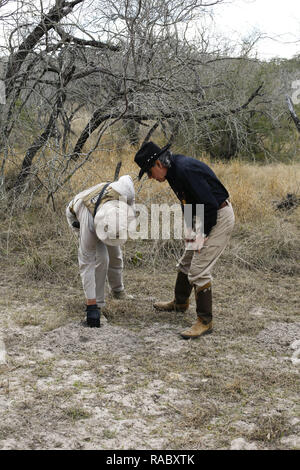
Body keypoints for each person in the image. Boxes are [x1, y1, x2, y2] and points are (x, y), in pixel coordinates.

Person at [134, 142, 235, 339]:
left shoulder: (184, 169)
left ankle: (205, 321)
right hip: (204, 215)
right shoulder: (172, 172)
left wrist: (201, 235)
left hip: (218, 216)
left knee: (198, 270)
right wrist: (191, 231)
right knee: (187, 261)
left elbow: (210, 206)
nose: (150, 177)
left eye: (149, 171)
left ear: (158, 163)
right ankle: (180, 303)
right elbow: (186, 202)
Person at [66, 175, 136, 327]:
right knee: (102, 259)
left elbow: (127, 178)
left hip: (106, 215)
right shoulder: (88, 226)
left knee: (116, 255)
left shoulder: (124, 190)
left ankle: (118, 291)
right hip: (79, 214)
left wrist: (130, 211)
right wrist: (90, 307)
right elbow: (86, 264)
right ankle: (98, 304)